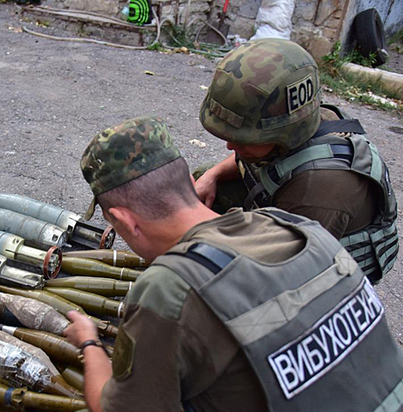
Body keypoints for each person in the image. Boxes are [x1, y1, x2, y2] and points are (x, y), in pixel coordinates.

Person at [65, 115, 403, 412]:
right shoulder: (295, 225)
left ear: (125, 220)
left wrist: (89, 343)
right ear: (189, 183)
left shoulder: (171, 287)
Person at [195, 38, 398, 284]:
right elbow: (253, 160)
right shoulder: (303, 122)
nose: (230, 146)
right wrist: (213, 175)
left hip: (322, 275)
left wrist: (191, 219)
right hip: (293, 216)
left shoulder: (319, 186)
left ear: (284, 134)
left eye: (242, 139)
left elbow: (277, 270)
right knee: (202, 183)